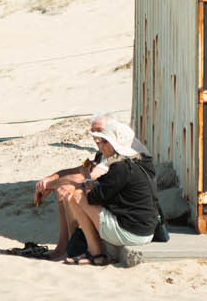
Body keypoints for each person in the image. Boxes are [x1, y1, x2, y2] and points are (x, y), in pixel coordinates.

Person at [33, 114, 159, 266]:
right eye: (94, 133)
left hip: (134, 233)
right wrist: (51, 180)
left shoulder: (119, 165)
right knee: (71, 190)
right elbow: (84, 170)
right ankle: (66, 247)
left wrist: (85, 181)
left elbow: (92, 193)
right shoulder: (124, 159)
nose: (96, 139)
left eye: (103, 137)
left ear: (114, 142)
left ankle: (93, 253)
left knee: (75, 195)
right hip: (141, 228)